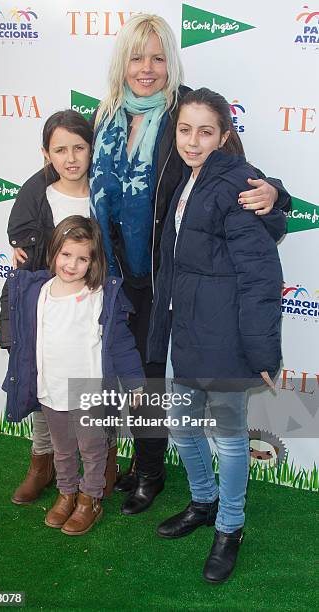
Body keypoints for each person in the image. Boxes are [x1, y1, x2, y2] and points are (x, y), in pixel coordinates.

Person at [90, 13, 290, 515]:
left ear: (170, 61)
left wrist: (277, 195)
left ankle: (152, 473)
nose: (147, 68)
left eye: (158, 57)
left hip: (166, 282)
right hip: (118, 277)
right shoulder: (106, 115)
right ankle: (141, 464)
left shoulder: (185, 114)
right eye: (137, 56)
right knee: (133, 382)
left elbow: (241, 177)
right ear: (123, 62)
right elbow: (64, 168)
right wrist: (23, 234)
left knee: (157, 383)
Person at [147, 88, 285, 583]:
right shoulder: (187, 178)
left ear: (225, 136)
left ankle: (230, 528)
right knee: (182, 428)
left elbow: (260, 274)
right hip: (184, 332)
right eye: (185, 129)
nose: (193, 140)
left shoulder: (234, 184)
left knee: (228, 439)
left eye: (206, 131)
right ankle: (203, 502)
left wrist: (263, 348)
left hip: (224, 337)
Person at [0, 110, 119, 504]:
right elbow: (26, 265)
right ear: (46, 154)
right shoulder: (37, 196)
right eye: (60, 150)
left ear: (92, 149)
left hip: (96, 317)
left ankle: (102, 467)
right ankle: (43, 461)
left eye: (79, 148)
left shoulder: (108, 192)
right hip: (50, 317)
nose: (71, 158)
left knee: (99, 391)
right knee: (44, 384)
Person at [2, 216, 145, 535]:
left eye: (82, 258)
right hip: (50, 390)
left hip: (89, 392)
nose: (72, 264)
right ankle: (66, 493)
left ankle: (89, 499)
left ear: (93, 262)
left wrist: (135, 383)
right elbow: (24, 337)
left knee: (92, 450)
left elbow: (121, 345)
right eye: (66, 255)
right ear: (53, 252)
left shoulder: (101, 297)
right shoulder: (36, 291)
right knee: (62, 449)